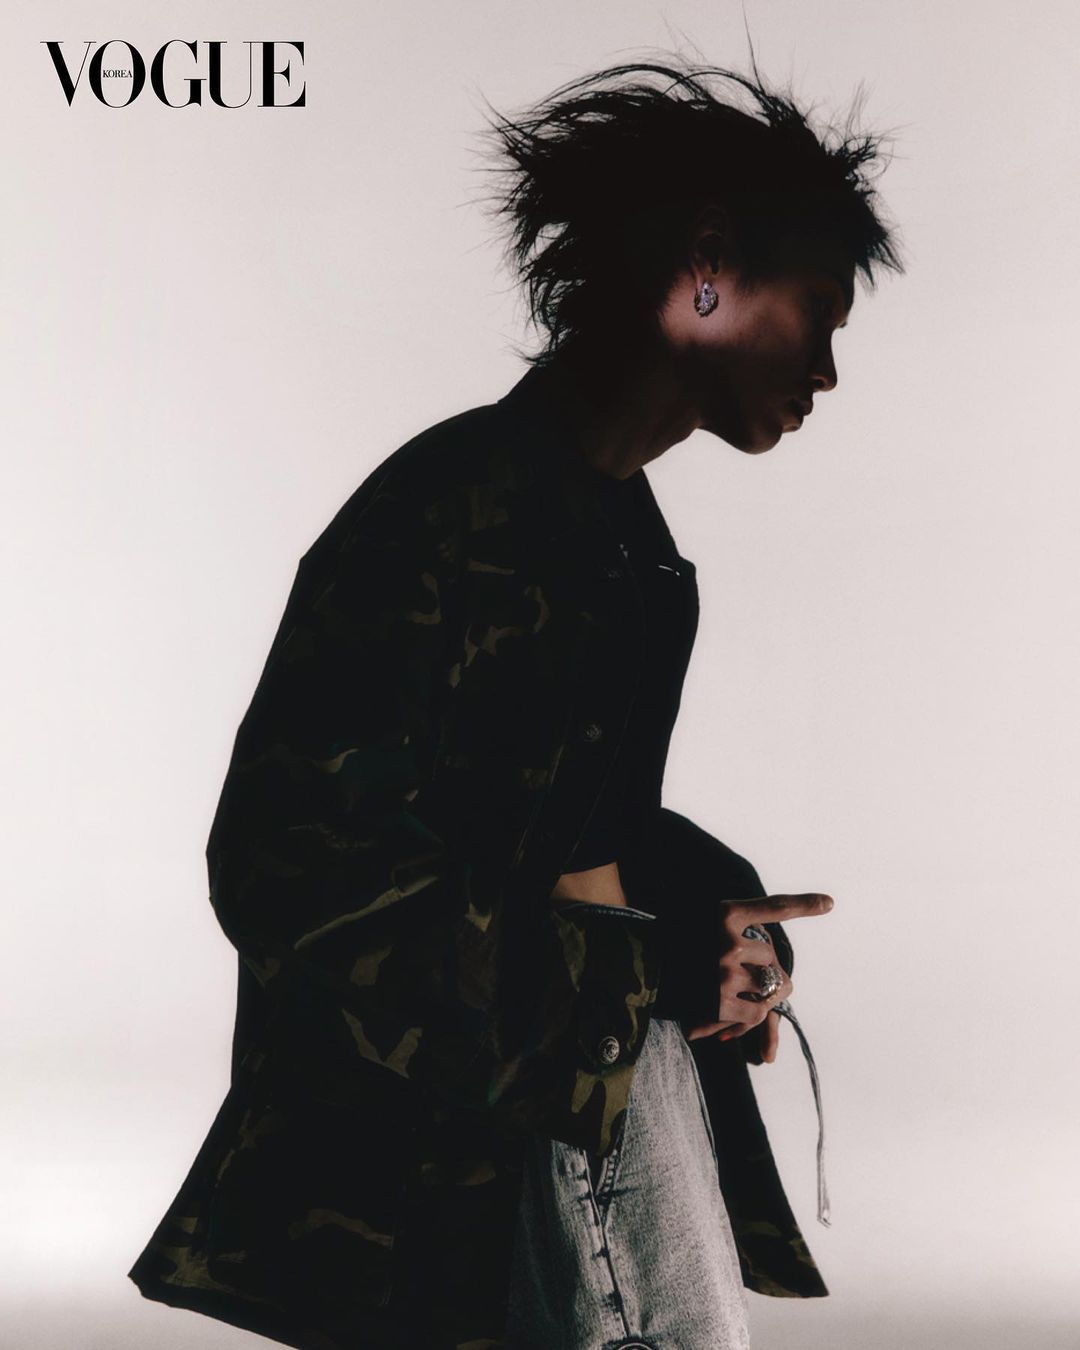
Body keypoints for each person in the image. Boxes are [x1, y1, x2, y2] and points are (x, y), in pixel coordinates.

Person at [127, 56, 903, 1350]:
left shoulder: (625, 544)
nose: (827, 367)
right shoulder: (451, 513)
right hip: (463, 1148)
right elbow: (282, 862)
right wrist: (630, 972)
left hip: (574, 1087)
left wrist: (708, 925)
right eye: (817, 311)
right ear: (709, 266)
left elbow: (558, 830)